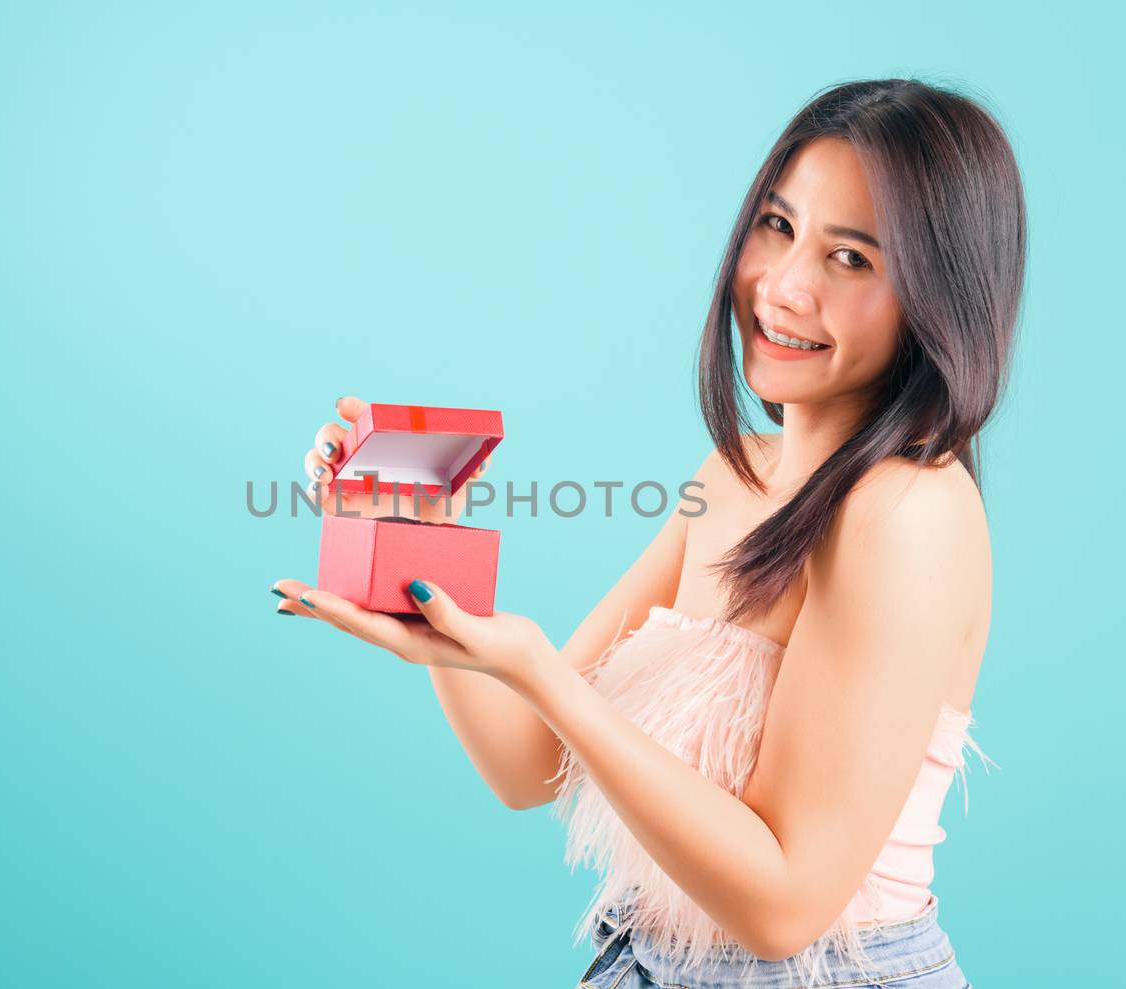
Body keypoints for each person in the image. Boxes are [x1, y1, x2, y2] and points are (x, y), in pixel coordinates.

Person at [271, 77, 1023, 988]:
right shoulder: (733, 475)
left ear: (940, 297)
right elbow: (529, 762)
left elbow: (784, 904)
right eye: (778, 227)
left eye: (853, 259)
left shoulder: (909, 511)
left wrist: (543, 671)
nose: (784, 286)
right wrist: (422, 560)